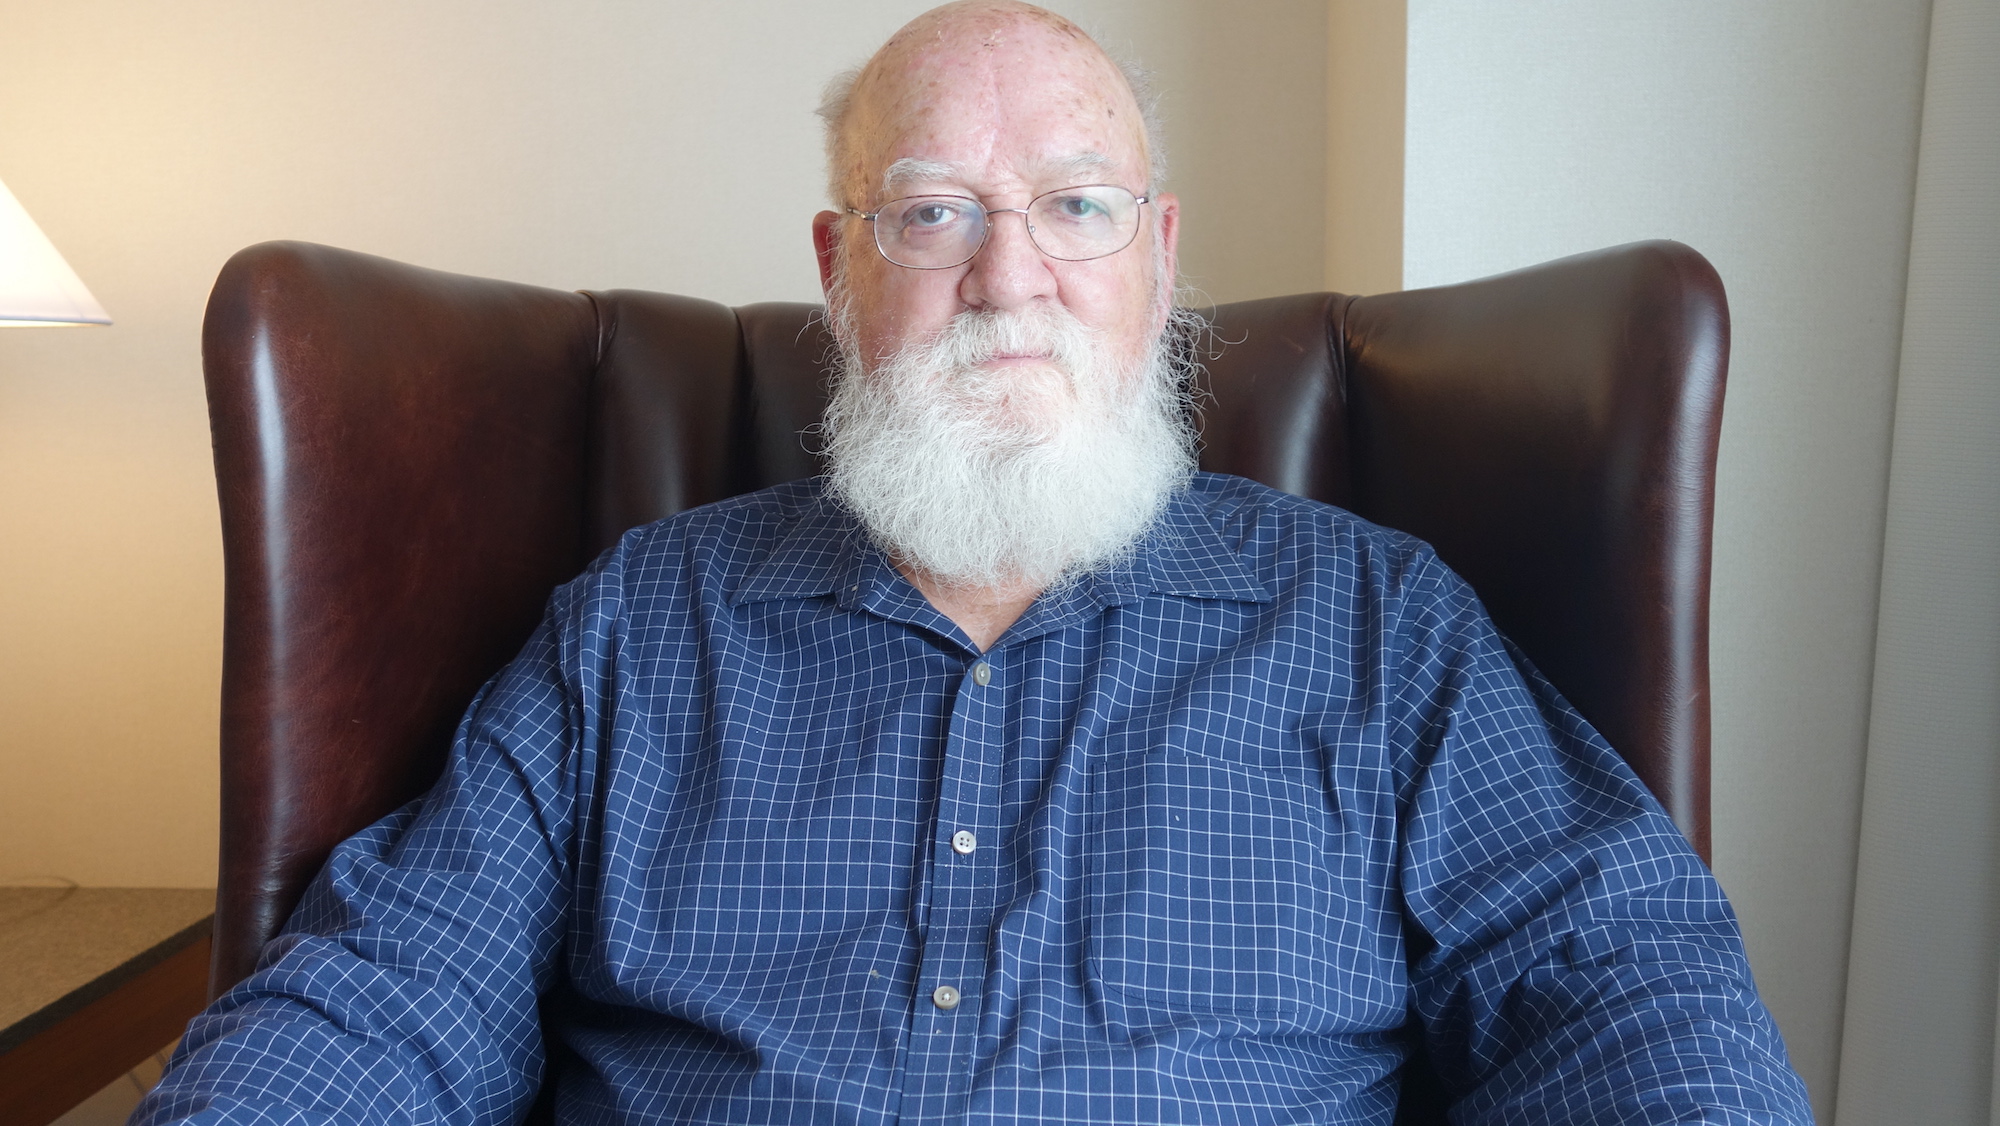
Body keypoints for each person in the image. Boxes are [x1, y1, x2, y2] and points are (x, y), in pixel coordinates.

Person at [137, 3, 1813, 1123]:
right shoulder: (640, 627)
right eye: (933, 210)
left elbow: (1620, 986)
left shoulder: (1381, 622)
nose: (1010, 278)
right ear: (840, 267)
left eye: (1078, 206)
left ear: (1159, 258)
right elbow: (385, 996)